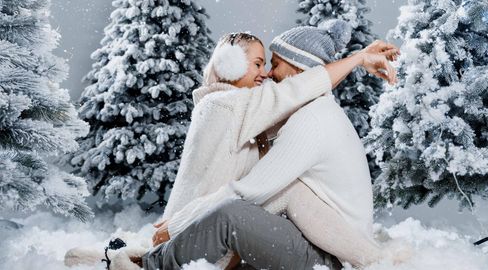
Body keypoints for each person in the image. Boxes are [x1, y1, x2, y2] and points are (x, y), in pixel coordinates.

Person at [64, 20, 397, 270]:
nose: (267, 73)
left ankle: (145, 265)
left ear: (300, 69)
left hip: (326, 253)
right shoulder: (242, 108)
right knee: (231, 219)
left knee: (231, 215)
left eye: (275, 63)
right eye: (259, 64)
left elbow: (251, 191)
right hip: (313, 238)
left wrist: (181, 223)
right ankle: (132, 255)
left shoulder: (311, 119)